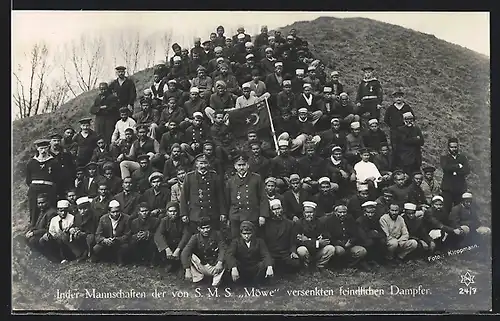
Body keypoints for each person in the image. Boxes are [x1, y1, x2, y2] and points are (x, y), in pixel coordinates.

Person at [180, 154, 227, 233]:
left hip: (211, 213)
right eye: (201, 163)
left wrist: (223, 212)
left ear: (208, 164)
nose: (203, 166)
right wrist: (184, 213)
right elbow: (184, 197)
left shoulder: (214, 176)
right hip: (196, 214)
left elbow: (220, 196)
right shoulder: (189, 177)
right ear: (196, 164)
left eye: (205, 163)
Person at [226, 153, 268, 239]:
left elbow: (263, 198)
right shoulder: (230, 181)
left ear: (248, 165)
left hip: (252, 215)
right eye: (239, 165)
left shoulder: (256, 178)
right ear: (235, 166)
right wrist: (227, 217)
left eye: (243, 165)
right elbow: (227, 201)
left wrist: (262, 215)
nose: (241, 168)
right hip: (236, 216)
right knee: (236, 240)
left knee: (253, 240)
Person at [181, 217, 227, 287]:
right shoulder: (195, 237)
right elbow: (185, 252)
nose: (205, 230)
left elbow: (223, 248)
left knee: (226, 257)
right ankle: (198, 278)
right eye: (203, 228)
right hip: (202, 264)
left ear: (211, 227)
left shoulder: (217, 234)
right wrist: (187, 269)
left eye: (207, 227)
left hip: (215, 265)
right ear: (198, 229)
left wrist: (220, 262)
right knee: (190, 255)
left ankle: (217, 281)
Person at [226, 220, 274, 285]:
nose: (246, 236)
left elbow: (266, 254)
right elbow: (229, 254)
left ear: (253, 233)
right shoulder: (236, 242)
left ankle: (258, 282)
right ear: (240, 233)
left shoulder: (259, 241)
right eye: (244, 234)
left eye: (249, 233)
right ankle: (239, 283)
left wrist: (269, 266)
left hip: (255, 268)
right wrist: (234, 267)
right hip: (242, 267)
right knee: (230, 262)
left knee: (264, 263)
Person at [26, 139, 61, 226]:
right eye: (41, 148)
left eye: (45, 148)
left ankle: (48, 228)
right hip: (34, 189)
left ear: (48, 148)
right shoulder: (31, 162)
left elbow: (58, 178)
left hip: (48, 189)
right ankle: (33, 228)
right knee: (34, 209)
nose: (43, 151)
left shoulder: (54, 162)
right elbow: (28, 180)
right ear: (37, 149)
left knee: (49, 209)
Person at [295, 201, 335, 273]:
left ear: (315, 213)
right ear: (303, 213)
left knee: (330, 248)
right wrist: (317, 242)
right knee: (301, 250)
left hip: (317, 251)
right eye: (307, 212)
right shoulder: (299, 224)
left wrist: (308, 240)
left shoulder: (320, 222)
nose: (309, 214)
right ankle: (306, 267)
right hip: (306, 251)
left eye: (311, 212)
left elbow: (327, 238)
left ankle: (320, 266)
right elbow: (299, 241)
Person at [262, 199, 301, 274]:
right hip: (272, 253)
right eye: (274, 209)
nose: (277, 211)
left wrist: (293, 251)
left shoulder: (290, 223)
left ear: (282, 209)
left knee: (296, 263)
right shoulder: (266, 225)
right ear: (271, 211)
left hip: (284, 253)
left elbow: (292, 241)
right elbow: (263, 242)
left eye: (278, 208)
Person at [325, 204, 369, 270]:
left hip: (350, 243)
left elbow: (356, 233)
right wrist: (340, 243)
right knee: (340, 251)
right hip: (337, 244)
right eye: (340, 212)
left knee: (362, 251)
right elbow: (329, 236)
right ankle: (338, 267)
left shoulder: (350, 219)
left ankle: (350, 265)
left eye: (344, 212)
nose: (342, 214)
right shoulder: (329, 221)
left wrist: (351, 241)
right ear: (335, 212)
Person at [91, 199, 132, 266]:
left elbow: (128, 234)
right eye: (113, 212)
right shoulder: (103, 219)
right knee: (96, 248)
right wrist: (104, 240)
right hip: (107, 242)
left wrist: (118, 239)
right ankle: (106, 258)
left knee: (125, 247)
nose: (115, 214)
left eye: (117, 211)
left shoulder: (126, 218)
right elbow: (98, 234)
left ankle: (120, 259)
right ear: (109, 211)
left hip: (120, 242)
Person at [154, 201, 190, 271]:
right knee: (158, 243)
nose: (173, 213)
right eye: (170, 211)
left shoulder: (182, 221)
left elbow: (186, 235)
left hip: (179, 243)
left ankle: (180, 265)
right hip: (169, 243)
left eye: (175, 211)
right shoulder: (164, 221)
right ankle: (168, 263)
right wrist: (166, 248)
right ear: (167, 212)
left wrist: (178, 249)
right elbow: (159, 234)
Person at [440, 137, 470, 214]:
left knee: (459, 208)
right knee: (446, 209)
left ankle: (458, 224)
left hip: (460, 188)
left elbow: (466, 170)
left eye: (455, 147)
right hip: (448, 188)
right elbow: (445, 168)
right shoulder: (444, 158)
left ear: (458, 147)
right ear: (448, 148)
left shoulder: (462, 157)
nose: (454, 149)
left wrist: (455, 172)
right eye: (452, 147)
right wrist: (458, 166)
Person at [384, 88, 415, 154]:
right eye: (396, 97)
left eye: (400, 97)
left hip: (405, 131)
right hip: (394, 131)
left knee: (405, 147)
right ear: (394, 99)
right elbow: (386, 119)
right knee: (395, 148)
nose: (398, 99)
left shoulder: (407, 107)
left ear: (403, 98)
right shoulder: (391, 108)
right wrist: (392, 126)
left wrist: (407, 126)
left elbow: (413, 117)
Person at [67, 196, 98, 262]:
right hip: (81, 236)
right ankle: (81, 254)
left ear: (89, 208)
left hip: (92, 236)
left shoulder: (95, 216)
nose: (82, 211)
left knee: (90, 238)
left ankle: (92, 255)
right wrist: (72, 229)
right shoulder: (77, 216)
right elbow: (74, 225)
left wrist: (83, 233)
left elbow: (95, 230)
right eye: (80, 209)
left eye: (85, 209)